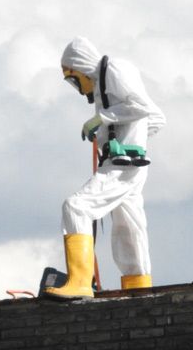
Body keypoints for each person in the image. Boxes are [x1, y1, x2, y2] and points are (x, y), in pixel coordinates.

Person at [46, 36, 166, 299]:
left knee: (76, 206)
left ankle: (79, 281)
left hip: (124, 163)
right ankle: (138, 285)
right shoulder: (104, 80)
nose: (75, 85)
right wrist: (115, 131)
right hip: (127, 160)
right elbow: (155, 117)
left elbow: (143, 108)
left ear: (80, 66)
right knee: (128, 226)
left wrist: (106, 121)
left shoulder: (115, 69)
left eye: (73, 77)